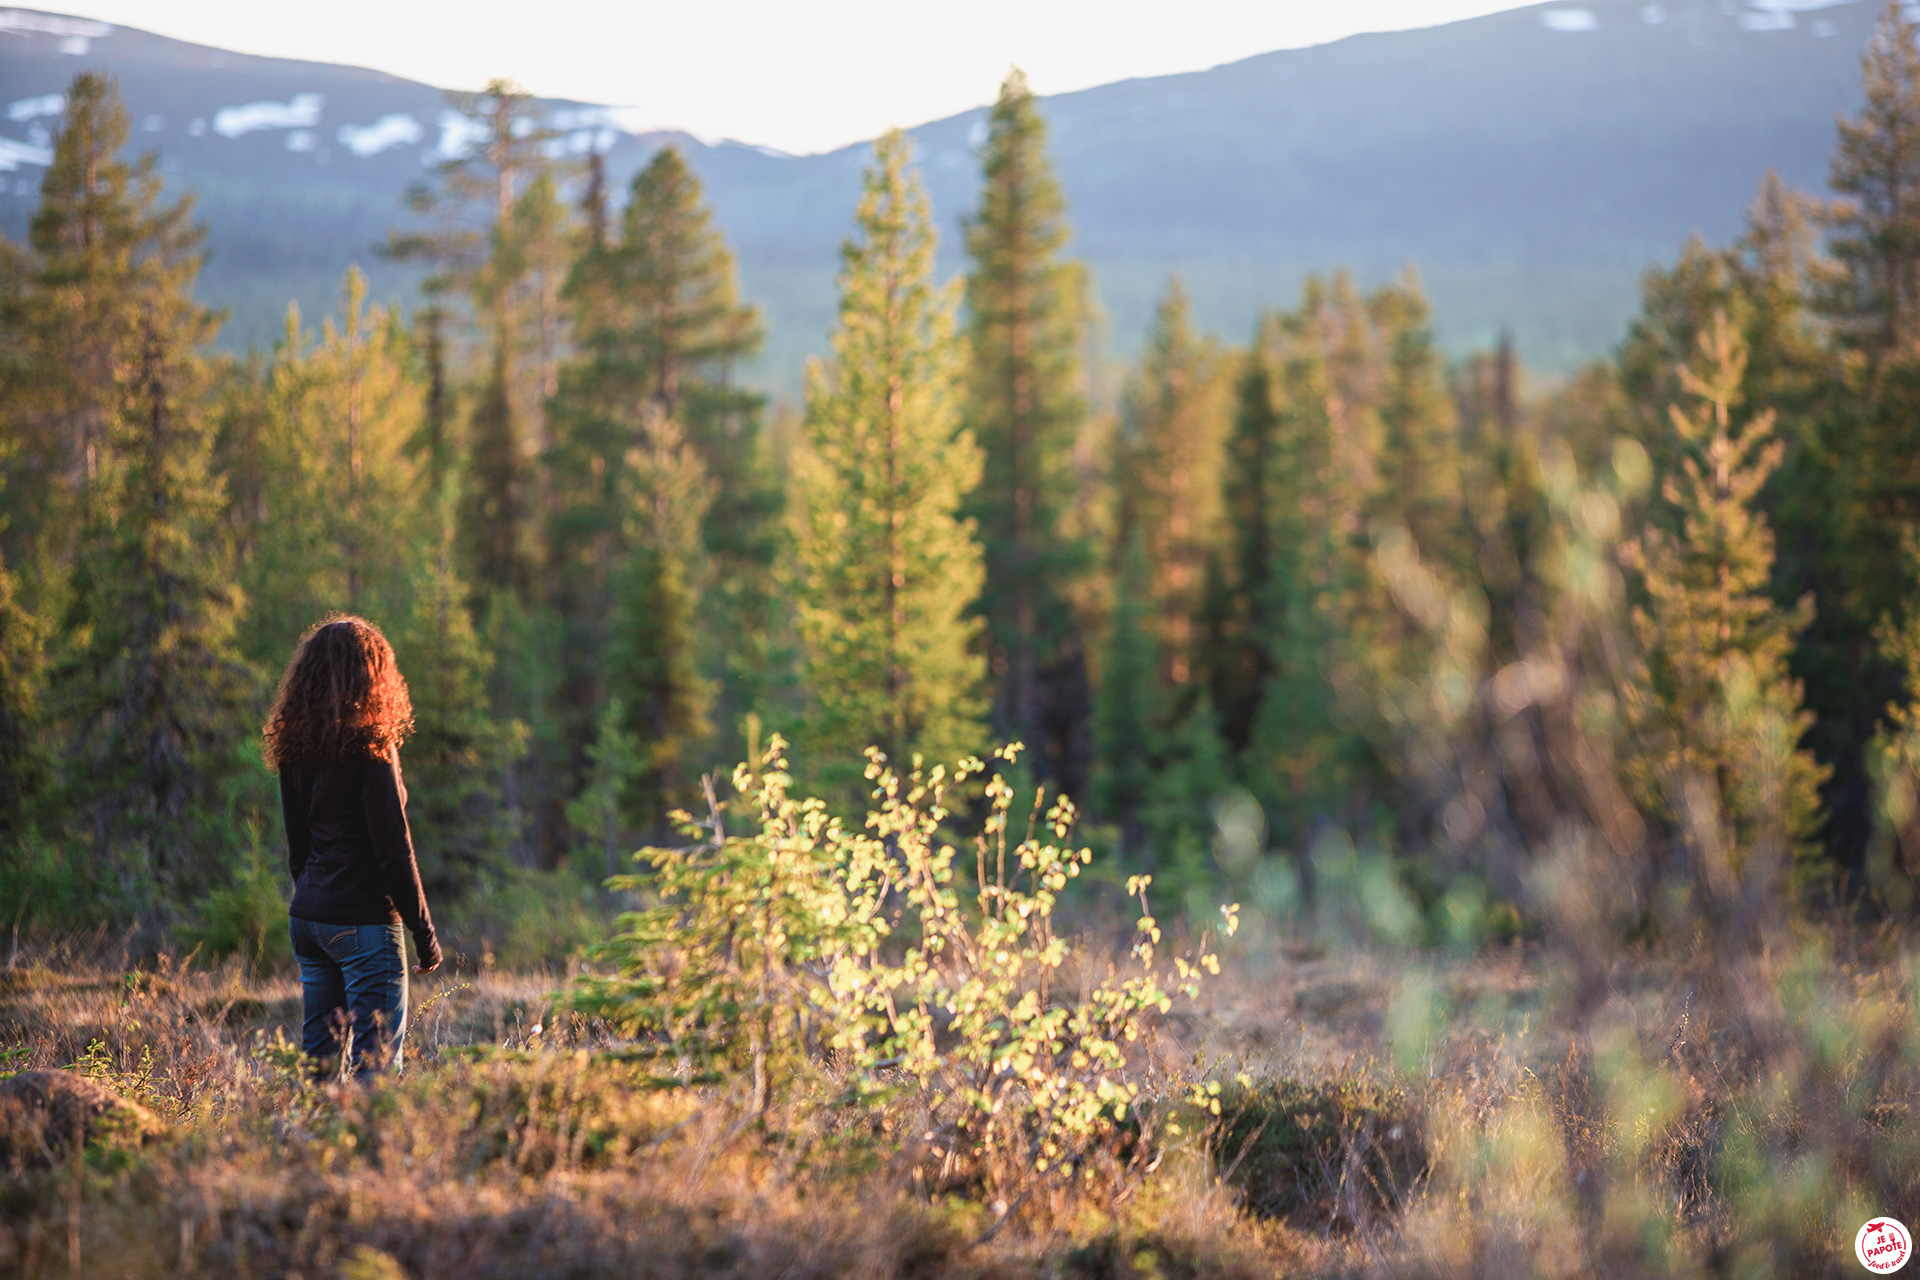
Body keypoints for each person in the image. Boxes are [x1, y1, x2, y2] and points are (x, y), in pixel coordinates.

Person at [263, 615, 442, 1080]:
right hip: (363, 924)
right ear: (373, 674)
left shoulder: (295, 747)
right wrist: (423, 934)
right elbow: (393, 851)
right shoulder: (373, 749)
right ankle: (361, 1152)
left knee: (318, 1070)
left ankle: (305, 1151)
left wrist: (314, 898)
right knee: (375, 1072)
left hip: (309, 921)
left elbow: (297, 848)